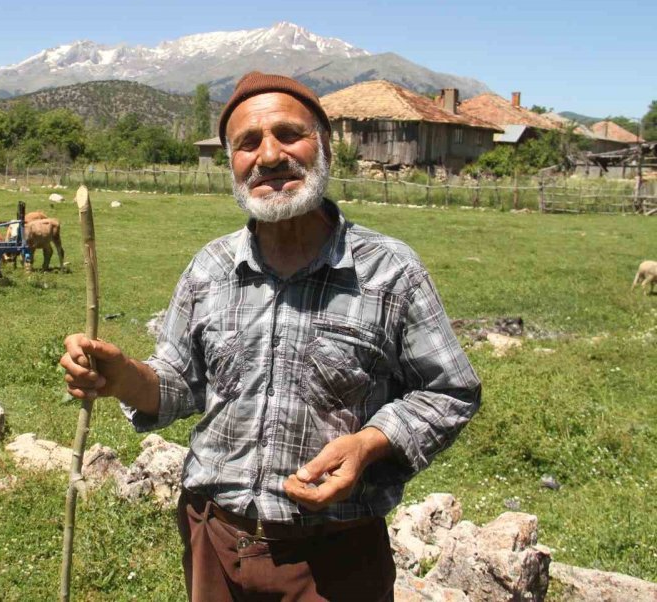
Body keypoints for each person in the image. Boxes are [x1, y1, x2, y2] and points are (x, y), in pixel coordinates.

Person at [60, 72, 481, 601]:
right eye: (248, 143)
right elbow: (176, 386)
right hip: (213, 540)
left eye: (288, 134)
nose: (269, 155)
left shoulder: (389, 270)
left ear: (325, 147)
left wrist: (370, 444)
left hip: (335, 560)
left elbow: (451, 390)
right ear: (232, 162)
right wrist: (123, 377)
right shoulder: (209, 268)